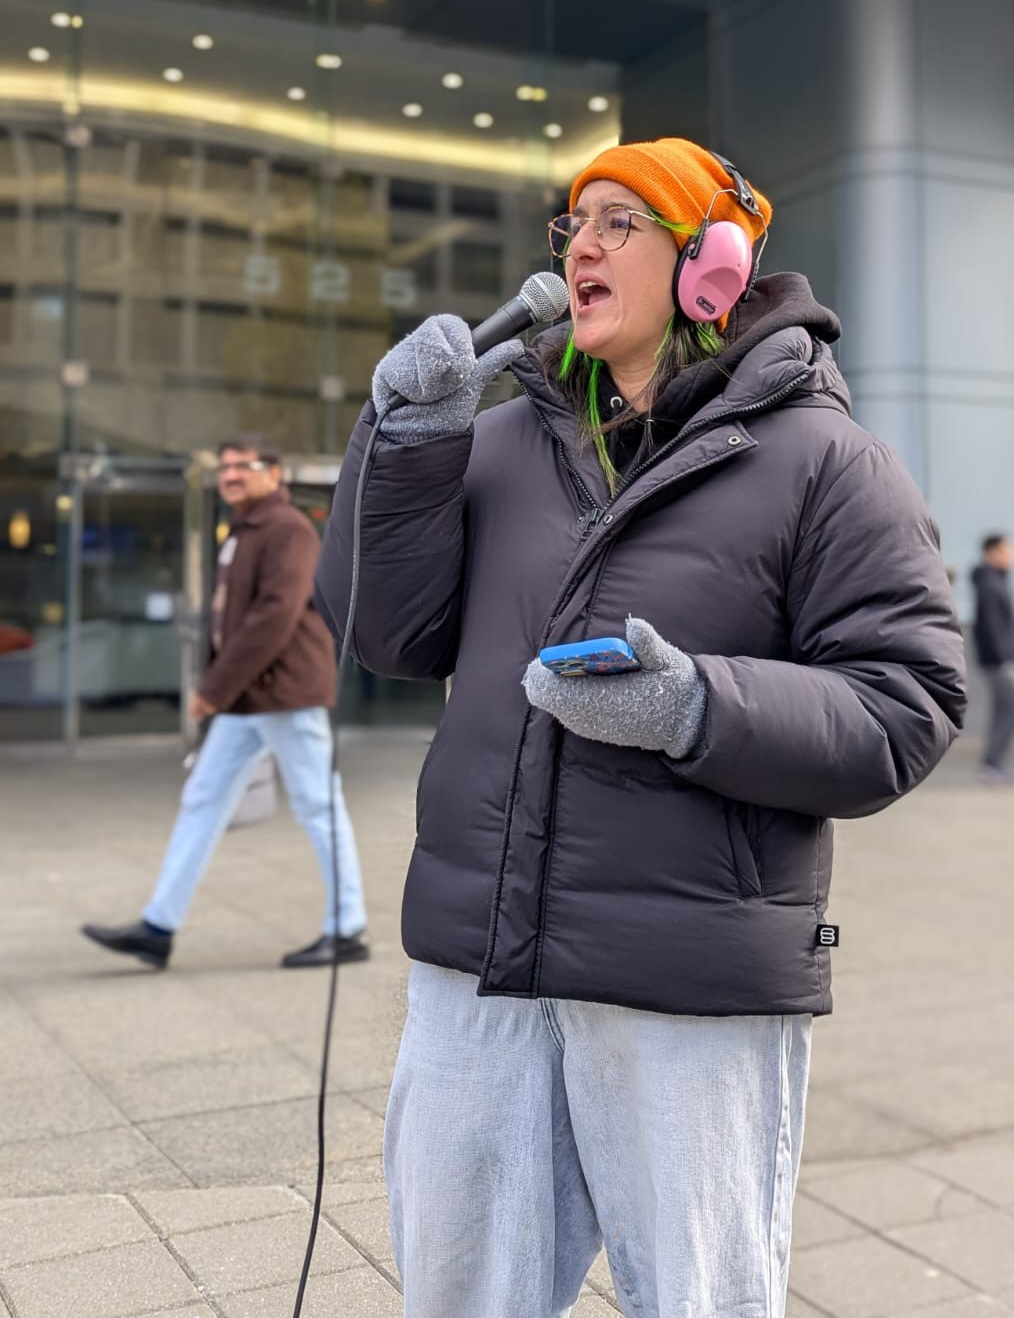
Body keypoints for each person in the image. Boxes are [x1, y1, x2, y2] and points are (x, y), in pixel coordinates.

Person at [315, 138, 966, 1317]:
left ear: (711, 264)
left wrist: (698, 707)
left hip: (685, 981)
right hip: (481, 969)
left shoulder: (824, 462)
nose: (582, 247)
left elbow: (906, 702)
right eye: (572, 226)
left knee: (701, 1300)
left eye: (621, 221)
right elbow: (392, 635)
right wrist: (401, 450)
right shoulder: (499, 439)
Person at [82, 435, 368, 970]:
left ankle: (347, 928)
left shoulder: (286, 530)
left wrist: (213, 687)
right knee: (202, 800)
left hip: (284, 694)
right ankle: (158, 927)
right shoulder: (245, 529)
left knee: (317, 806)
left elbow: (273, 617)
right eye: (226, 467)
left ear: (274, 474)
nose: (231, 475)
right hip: (250, 697)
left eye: (244, 466)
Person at [972, 533, 1014, 784]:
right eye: (1007, 550)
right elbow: (991, 627)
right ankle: (992, 762)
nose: (1012, 556)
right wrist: (1005, 659)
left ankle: (993, 763)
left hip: (1002, 660)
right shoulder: (989, 585)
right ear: (992, 552)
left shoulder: (995, 581)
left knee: (1006, 711)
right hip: (1001, 662)